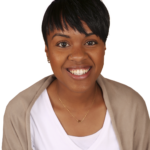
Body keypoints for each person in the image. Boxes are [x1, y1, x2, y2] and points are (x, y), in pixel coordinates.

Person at [2, 0, 150, 150]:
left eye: (90, 42)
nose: (78, 56)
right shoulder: (20, 113)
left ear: (104, 48)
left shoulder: (132, 107)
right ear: (47, 51)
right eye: (63, 44)